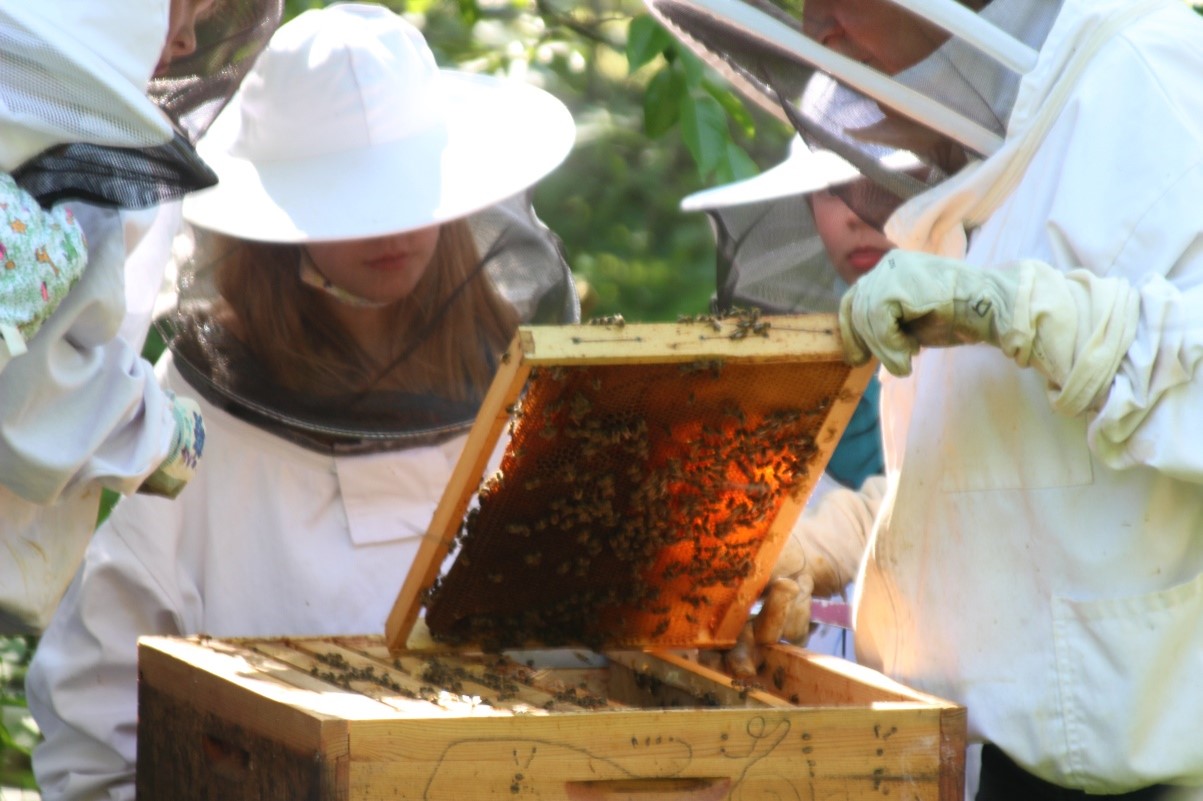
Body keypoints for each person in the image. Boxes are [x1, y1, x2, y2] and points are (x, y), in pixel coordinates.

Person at [24, 5, 578, 799]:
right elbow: (96, 742)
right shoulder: (191, 426)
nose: (388, 228)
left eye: (402, 192)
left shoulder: (521, 397)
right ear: (275, 216)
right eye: (350, 199)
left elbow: (592, 665)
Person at [651, 0, 1203, 797]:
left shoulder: (1150, 73)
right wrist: (829, 544)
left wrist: (1022, 313)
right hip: (974, 763)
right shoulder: (986, 154)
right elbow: (1015, 473)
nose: (815, 29)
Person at [0, 0, 281, 632]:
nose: (184, 42)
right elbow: (31, 407)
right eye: (181, 8)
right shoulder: (50, 208)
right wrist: (163, 440)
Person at [679, 136, 894, 664]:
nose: (854, 216)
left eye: (880, 180)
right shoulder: (770, 388)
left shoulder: (996, 337)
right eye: (828, 192)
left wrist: (829, 542)